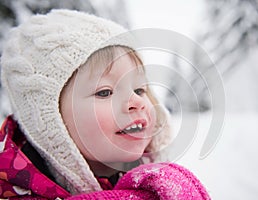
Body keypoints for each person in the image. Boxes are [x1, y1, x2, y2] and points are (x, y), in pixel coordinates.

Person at [0, 9, 210, 199]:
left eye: (140, 89)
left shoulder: (155, 184)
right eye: (105, 92)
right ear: (51, 126)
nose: (136, 101)